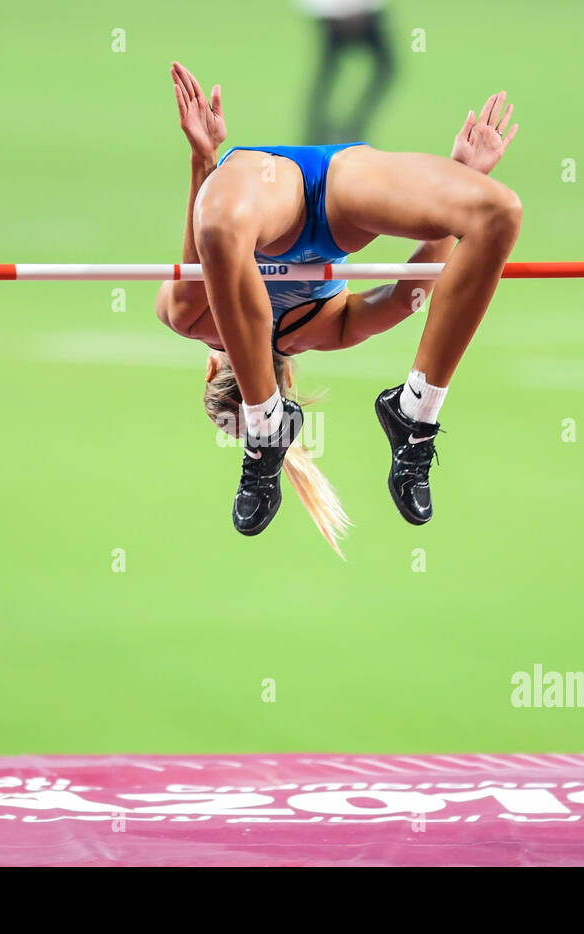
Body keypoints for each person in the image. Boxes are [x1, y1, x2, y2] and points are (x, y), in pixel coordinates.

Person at [156, 62, 521, 552]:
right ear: (208, 371)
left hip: (270, 193)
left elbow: (409, 292)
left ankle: (267, 429)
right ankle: (415, 414)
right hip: (336, 192)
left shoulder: (199, 316)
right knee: (497, 213)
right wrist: (455, 189)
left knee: (221, 227)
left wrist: (205, 159)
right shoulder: (312, 329)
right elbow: (406, 294)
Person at [299, 0, 394, 143]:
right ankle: (319, 133)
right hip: (334, 15)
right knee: (328, 74)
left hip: (358, 13)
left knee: (385, 68)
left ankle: (350, 129)